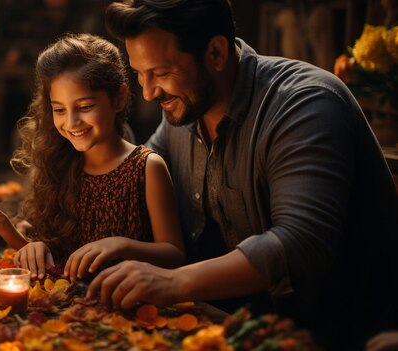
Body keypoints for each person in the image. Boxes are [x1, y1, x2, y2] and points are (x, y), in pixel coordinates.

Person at [86, 1, 398, 349]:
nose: (147, 91)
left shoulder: (304, 104)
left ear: (216, 53)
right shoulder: (184, 108)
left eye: (159, 72)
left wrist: (174, 282)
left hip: (349, 334)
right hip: (249, 326)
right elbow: (135, 176)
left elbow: (302, 241)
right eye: (139, 74)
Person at [0, 33, 186, 281]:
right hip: (69, 311)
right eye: (59, 110)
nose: (71, 122)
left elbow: (175, 255)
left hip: (128, 306)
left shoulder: (146, 168)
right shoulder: (59, 164)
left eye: (85, 107)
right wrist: (6, 230)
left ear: (118, 98)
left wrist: (122, 245)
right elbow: (55, 264)